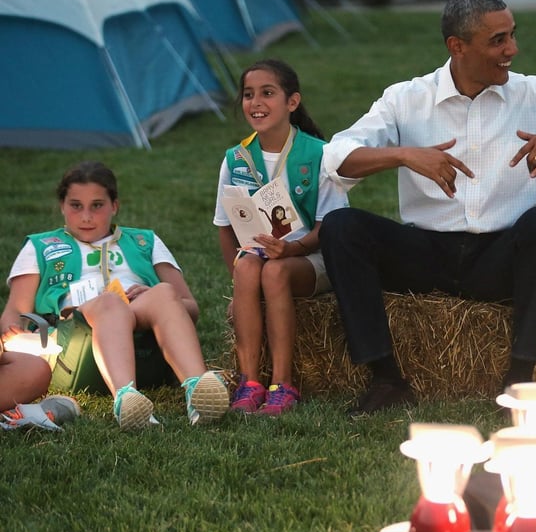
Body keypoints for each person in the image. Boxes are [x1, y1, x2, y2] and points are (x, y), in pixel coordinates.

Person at [319, 0, 536, 415]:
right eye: (499, 40)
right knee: (342, 227)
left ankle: (519, 378)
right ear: (457, 47)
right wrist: (404, 154)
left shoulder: (535, 95)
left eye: (512, 36)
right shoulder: (406, 98)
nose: (513, 50)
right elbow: (336, 160)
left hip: (500, 259)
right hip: (424, 256)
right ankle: (386, 379)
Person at [0, 161, 229, 430]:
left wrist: (153, 293)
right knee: (110, 302)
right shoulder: (40, 245)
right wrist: (14, 337)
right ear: (62, 206)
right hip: (74, 342)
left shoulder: (145, 241)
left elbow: (191, 308)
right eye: (76, 205)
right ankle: (126, 398)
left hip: (145, 338)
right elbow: (14, 311)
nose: (86, 216)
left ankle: (197, 389)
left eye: (97, 205)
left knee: (165, 292)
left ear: (114, 206)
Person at [213, 59, 349, 415]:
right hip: (262, 257)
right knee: (247, 269)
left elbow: (332, 228)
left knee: (274, 272)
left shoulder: (319, 154)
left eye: (267, 93)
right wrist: (240, 288)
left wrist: (292, 249)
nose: (255, 102)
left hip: (311, 257)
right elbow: (224, 226)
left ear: (292, 102)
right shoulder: (236, 158)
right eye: (248, 95)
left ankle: (283, 383)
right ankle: (250, 382)